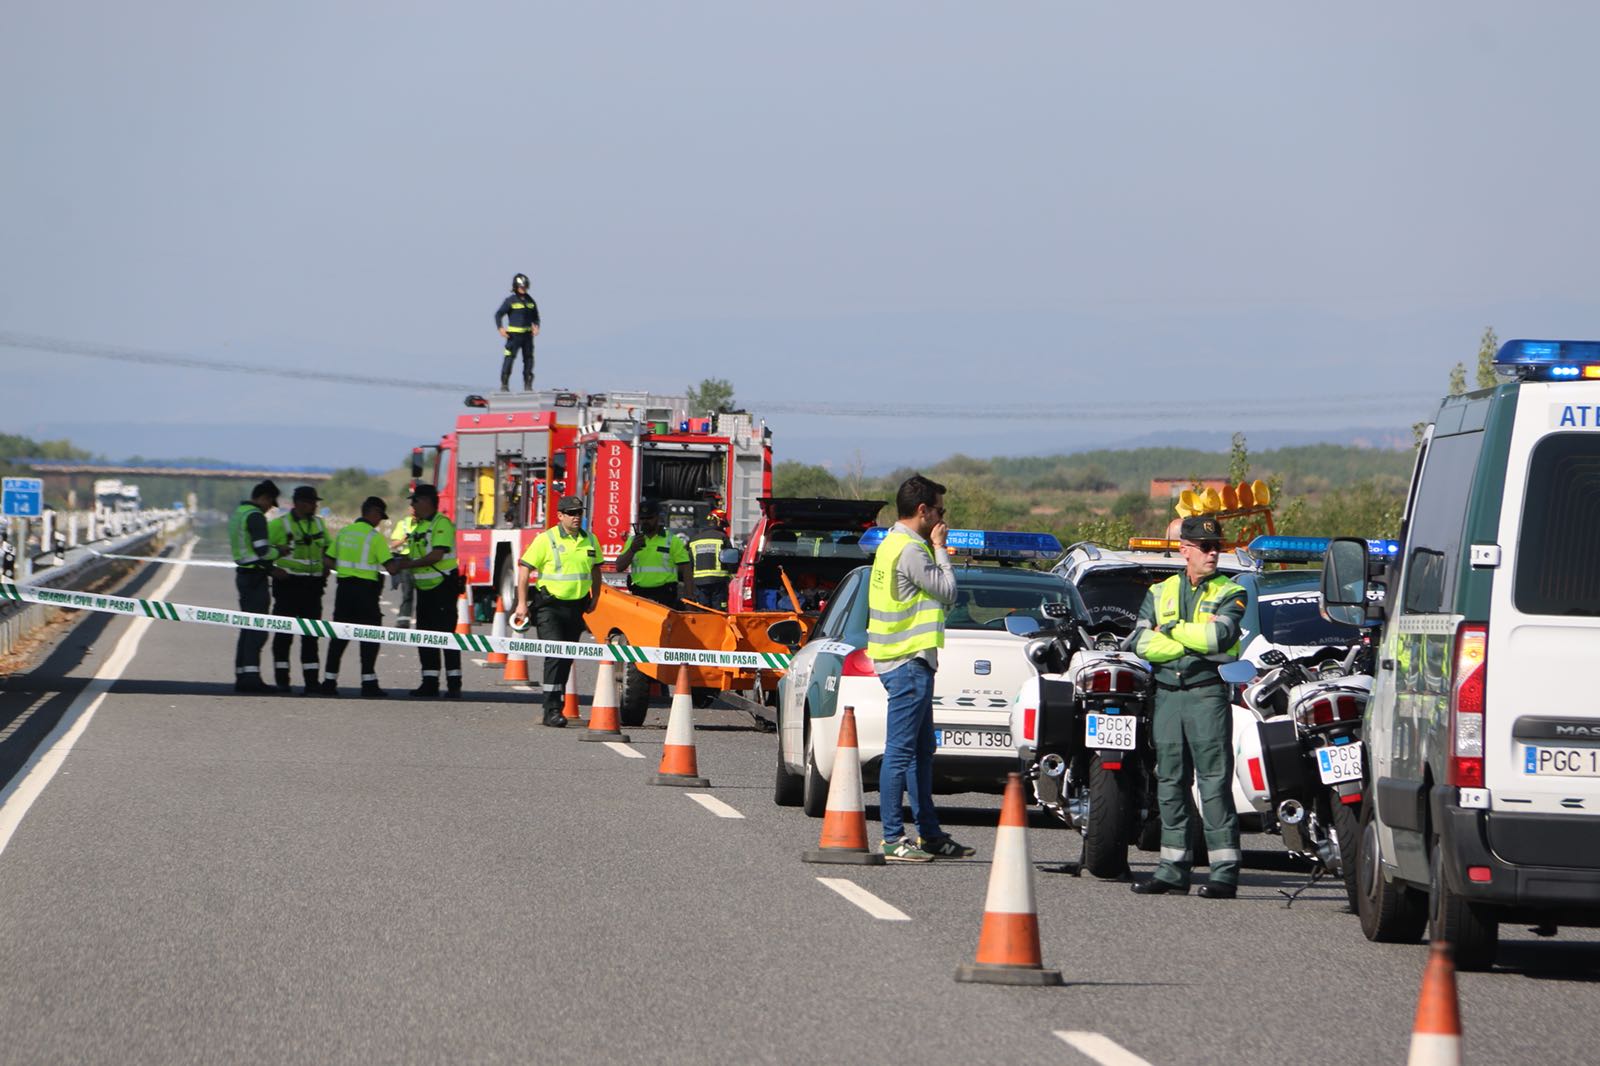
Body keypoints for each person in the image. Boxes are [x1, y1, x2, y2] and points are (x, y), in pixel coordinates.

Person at [1131, 514, 1248, 899]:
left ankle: (1224, 872)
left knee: (1213, 784)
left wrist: (1172, 631)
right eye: (1206, 547)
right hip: (1167, 695)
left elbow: (1221, 635)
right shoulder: (1159, 590)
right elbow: (1140, 643)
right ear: (1185, 550)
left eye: (1218, 547)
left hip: (1206, 694)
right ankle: (1172, 869)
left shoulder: (1231, 591)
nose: (1214, 553)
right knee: (1169, 782)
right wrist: (1192, 638)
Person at [866, 474, 973, 862]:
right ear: (924, 511)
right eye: (941, 511)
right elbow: (947, 591)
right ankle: (893, 837)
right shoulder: (912, 549)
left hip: (906, 658)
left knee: (922, 749)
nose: (944, 518)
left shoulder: (893, 544)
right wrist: (941, 549)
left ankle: (929, 833)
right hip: (907, 659)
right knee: (901, 752)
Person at [511, 495, 599, 728]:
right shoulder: (546, 540)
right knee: (555, 655)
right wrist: (521, 604)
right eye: (571, 513)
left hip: (576, 607)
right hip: (549, 607)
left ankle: (555, 705)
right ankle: (551, 709)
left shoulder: (590, 539)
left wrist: (596, 597)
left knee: (566, 658)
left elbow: (596, 570)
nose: (576, 517)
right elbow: (524, 570)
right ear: (560, 516)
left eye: (579, 512)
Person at [321, 496, 403, 698]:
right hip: (366, 593)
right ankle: (369, 683)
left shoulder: (344, 533)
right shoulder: (374, 538)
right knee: (369, 637)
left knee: (338, 637)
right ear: (373, 512)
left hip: (345, 591)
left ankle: (329, 682)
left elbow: (327, 560)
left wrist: (344, 570)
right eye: (380, 517)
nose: (380, 522)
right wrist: (406, 562)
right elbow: (391, 568)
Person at [267, 485, 330, 695]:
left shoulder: (318, 524)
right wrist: (272, 570)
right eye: (312, 502)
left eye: (315, 502)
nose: (315, 506)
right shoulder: (279, 525)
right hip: (288, 586)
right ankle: (282, 681)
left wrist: (327, 568)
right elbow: (262, 551)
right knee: (284, 635)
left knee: (311, 636)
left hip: (313, 587)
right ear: (300, 503)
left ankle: (312, 682)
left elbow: (328, 548)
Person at [402, 484, 462, 698]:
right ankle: (429, 682)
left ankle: (454, 684)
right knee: (425, 636)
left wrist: (408, 565)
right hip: (425, 589)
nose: (412, 505)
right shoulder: (418, 527)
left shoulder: (441, 524)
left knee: (446, 636)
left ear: (426, 501)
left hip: (442, 587)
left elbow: (437, 555)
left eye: (415, 500)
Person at [228, 479, 284, 693]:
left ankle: (243, 675)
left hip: (244, 574)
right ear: (264, 498)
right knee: (257, 628)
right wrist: (279, 551)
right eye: (271, 503)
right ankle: (251, 678)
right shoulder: (255, 516)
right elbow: (262, 550)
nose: (270, 508)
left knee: (247, 627)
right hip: (255, 577)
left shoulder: (239, 512)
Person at [615, 500, 692, 608]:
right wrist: (632, 549)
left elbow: (686, 569)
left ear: (657, 518)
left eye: (649, 518)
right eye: (642, 518)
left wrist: (689, 598)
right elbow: (619, 567)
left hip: (665, 595)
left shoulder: (672, 540)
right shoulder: (633, 541)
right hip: (639, 595)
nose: (645, 521)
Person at [494, 273, 541, 392]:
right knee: (509, 358)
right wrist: (500, 328)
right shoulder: (510, 301)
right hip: (513, 336)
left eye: (525, 287)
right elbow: (498, 314)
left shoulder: (531, 301)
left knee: (529, 359)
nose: (523, 289)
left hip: (527, 336)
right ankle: (504, 385)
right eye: (521, 287)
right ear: (515, 287)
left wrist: (536, 326)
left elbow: (536, 317)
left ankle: (528, 385)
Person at [688, 509, 735, 609]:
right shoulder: (722, 537)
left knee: (703, 611)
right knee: (719, 612)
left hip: (700, 583)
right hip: (718, 582)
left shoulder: (694, 539)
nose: (723, 528)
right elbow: (731, 559)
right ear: (718, 522)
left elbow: (690, 563)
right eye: (723, 524)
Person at [388, 511, 417, 627]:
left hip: (422, 561)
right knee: (407, 592)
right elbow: (394, 544)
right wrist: (404, 539)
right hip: (406, 561)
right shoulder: (403, 524)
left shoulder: (426, 524)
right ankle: (403, 621)